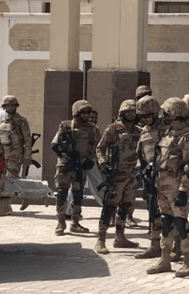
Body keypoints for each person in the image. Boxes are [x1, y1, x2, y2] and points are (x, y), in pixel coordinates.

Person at [145, 98, 189, 278]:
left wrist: (184, 190)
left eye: (167, 114)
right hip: (162, 185)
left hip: (177, 187)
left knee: (181, 223)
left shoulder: (188, 137)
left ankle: (188, 261)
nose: (164, 117)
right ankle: (165, 259)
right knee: (166, 221)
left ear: (175, 114)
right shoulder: (167, 134)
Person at [93, 99, 142, 255]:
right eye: (127, 112)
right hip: (116, 174)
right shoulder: (113, 129)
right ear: (122, 113)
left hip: (132, 174)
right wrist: (103, 163)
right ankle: (101, 239)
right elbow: (100, 148)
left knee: (126, 205)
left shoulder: (139, 131)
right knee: (110, 205)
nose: (130, 115)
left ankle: (120, 237)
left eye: (133, 112)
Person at [50, 100, 100, 235]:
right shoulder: (65, 126)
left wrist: (92, 160)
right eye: (83, 112)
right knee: (62, 193)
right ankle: (60, 223)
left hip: (81, 167)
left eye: (88, 112)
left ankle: (75, 223)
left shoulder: (93, 129)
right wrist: (64, 156)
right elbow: (54, 144)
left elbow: (99, 148)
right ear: (76, 113)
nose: (86, 115)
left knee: (78, 195)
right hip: (66, 166)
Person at [134, 96, 166, 260]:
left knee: (167, 212)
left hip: (164, 176)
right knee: (152, 209)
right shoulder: (144, 131)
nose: (144, 120)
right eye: (141, 117)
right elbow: (140, 152)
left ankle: (172, 247)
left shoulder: (166, 128)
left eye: (146, 116)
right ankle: (154, 245)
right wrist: (141, 167)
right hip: (148, 175)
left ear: (155, 113)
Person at [0, 95, 32, 178]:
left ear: (16, 106)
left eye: (12, 105)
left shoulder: (21, 120)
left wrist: (27, 155)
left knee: (12, 177)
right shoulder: (2, 120)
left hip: (15, 154)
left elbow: (27, 139)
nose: (10, 108)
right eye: (8, 106)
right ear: (4, 107)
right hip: (3, 153)